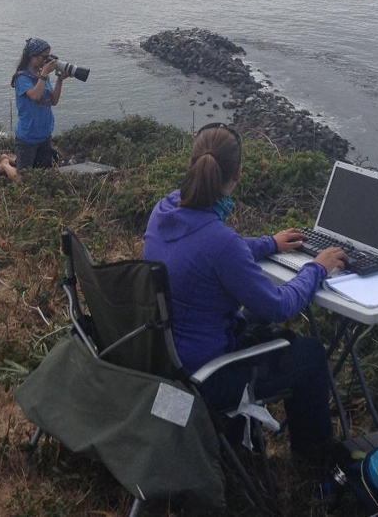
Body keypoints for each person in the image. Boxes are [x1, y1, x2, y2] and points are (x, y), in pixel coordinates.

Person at [142, 123, 347, 471]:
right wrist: (317, 268)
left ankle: (241, 440)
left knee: (256, 324)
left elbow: (217, 249)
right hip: (203, 378)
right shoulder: (219, 242)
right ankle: (313, 464)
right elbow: (280, 305)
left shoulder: (165, 210)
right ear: (237, 174)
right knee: (310, 355)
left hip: (163, 358)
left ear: (192, 163)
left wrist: (269, 243)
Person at [0, 37, 69, 181]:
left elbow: (53, 101)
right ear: (32, 56)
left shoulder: (42, 76)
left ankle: (10, 160)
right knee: (24, 179)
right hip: (28, 137)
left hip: (44, 134)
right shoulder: (22, 78)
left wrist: (60, 80)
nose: (47, 60)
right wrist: (44, 75)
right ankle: (5, 164)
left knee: (45, 176)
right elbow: (35, 96)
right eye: (44, 56)